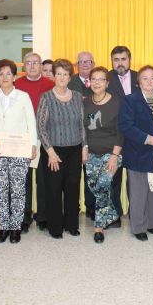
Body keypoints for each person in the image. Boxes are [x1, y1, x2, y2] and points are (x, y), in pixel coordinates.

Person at [0, 59, 37, 244]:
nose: (5, 77)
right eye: (1, 73)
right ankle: (4, 226)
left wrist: (33, 145)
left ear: (14, 77)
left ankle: (15, 227)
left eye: (8, 73)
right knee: (1, 189)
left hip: (19, 150)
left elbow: (31, 122)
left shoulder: (23, 97)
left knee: (18, 189)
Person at [119, 66, 153, 241]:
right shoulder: (130, 100)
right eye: (145, 78)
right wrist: (145, 138)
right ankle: (138, 227)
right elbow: (125, 125)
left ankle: (152, 224)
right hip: (138, 152)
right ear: (138, 82)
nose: (149, 82)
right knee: (139, 192)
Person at [37, 59, 86, 239]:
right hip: (53, 152)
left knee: (73, 187)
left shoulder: (77, 96)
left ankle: (71, 225)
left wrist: (84, 147)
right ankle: (55, 227)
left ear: (69, 76)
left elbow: (82, 125)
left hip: (74, 150)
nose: (62, 77)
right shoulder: (46, 97)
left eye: (66, 74)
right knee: (54, 189)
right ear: (53, 76)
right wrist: (50, 151)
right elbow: (41, 127)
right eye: (59, 73)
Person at [15, 51, 54, 233]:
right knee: (23, 180)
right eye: (28, 63)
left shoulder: (50, 85)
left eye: (35, 63)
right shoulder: (16, 85)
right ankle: (24, 216)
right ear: (24, 66)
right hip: (23, 139)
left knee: (43, 180)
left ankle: (44, 216)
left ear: (41, 65)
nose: (32, 66)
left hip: (44, 139)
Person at [83, 67, 124, 243]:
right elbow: (82, 128)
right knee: (93, 186)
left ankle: (98, 228)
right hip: (91, 153)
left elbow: (121, 132)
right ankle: (112, 213)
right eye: (94, 79)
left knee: (102, 184)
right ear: (89, 82)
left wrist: (115, 155)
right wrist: (84, 147)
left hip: (112, 153)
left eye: (101, 79)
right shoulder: (85, 103)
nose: (97, 83)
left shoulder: (117, 103)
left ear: (107, 83)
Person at [106, 45, 138, 216]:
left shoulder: (141, 78)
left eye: (123, 59)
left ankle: (136, 212)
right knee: (113, 178)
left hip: (136, 137)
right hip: (113, 136)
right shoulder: (105, 79)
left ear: (129, 60)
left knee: (136, 179)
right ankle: (114, 214)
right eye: (116, 60)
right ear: (111, 61)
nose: (120, 63)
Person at [68, 51, 96, 220]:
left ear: (94, 63)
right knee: (73, 176)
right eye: (81, 62)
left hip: (95, 136)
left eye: (89, 61)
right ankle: (74, 208)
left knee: (91, 175)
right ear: (76, 65)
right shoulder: (69, 82)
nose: (85, 65)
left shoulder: (100, 80)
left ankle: (91, 209)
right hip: (74, 137)